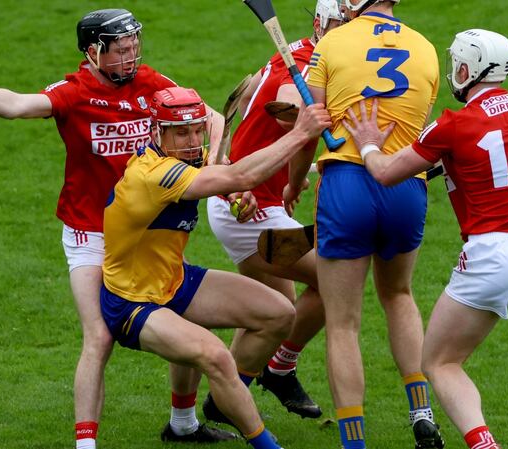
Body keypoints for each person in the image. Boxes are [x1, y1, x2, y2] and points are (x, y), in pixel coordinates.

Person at [0, 9, 235, 448]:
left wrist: (211, 163)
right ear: (93, 52)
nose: (131, 55)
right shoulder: (76, 92)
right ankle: (85, 444)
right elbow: (19, 104)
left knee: (179, 312)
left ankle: (182, 423)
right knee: (100, 336)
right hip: (91, 235)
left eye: (133, 46)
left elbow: (211, 118)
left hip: (151, 231)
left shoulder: (151, 83)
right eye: (120, 49)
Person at [341, 29, 508, 449]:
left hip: (494, 252)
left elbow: (388, 173)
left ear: (465, 69)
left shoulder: (453, 125)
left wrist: (370, 146)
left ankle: (484, 444)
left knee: (440, 361)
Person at [100, 86, 331, 448]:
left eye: (196, 130)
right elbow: (238, 175)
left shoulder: (189, 160)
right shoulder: (154, 174)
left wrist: (236, 195)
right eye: (181, 132)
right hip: (133, 303)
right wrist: (301, 133)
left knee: (279, 313)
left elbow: (226, 177)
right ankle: (266, 443)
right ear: (156, 133)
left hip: (174, 281)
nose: (193, 140)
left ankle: (194, 420)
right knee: (215, 356)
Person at [291, 1, 444, 448]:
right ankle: (422, 411)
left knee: (342, 323)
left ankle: (354, 442)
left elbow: (309, 128)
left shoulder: (331, 43)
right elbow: (420, 124)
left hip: (346, 182)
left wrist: (294, 183)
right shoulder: (426, 48)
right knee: (399, 295)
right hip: (405, 185)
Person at [205, 0, 344, 420]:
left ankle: (225, 400)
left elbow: (248, 98)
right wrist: (303, 119)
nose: (348, 31)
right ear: (321, 23)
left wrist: (290, 176)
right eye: (341, 23)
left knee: (268, 315)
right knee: (336, 279)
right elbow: (289, 113)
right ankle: (280, 369)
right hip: (248, 212)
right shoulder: (304, 62)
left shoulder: (305, 54)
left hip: (249, 200)